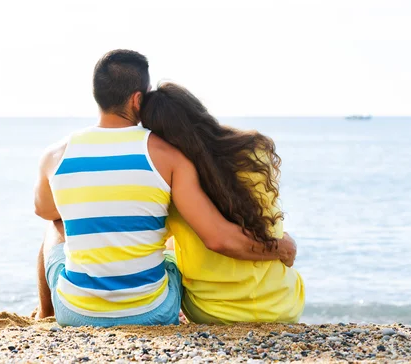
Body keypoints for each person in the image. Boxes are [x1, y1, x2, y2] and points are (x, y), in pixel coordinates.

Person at [33, 50, 297, 327]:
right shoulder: (169, 156)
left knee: (53, 226)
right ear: (138, 99)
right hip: (152, 312)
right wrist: (278, 248)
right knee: (167, 247)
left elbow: (45, 210)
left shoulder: (54, 156)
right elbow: (217, 237)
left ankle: (45, 315)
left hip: (76, 313)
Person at [140, 82, 305, 324]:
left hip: (214, 313)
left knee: (168, 250)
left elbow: (215, 239)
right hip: (282, 305)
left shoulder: (171, 180)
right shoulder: (254, 150)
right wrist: (281, 246)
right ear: (199, 111)